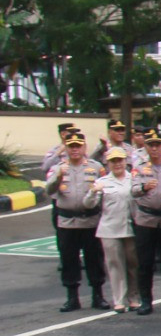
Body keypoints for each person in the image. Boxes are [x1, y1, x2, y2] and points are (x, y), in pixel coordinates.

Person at [46, 132, 108, 312]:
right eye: (71, 146)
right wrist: (58, 178)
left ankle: (98, 295)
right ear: (66, 148)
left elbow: (104, 190)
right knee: (69, 260)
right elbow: (49, 190)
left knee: (94, 259)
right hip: (67, 222)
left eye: (78, 146)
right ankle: (72, 297)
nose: (74, 149)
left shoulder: (95, 168)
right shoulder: (59, 168)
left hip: (90, 221)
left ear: (84, 148)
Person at [129, 132, 161, 315]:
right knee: (145, 262)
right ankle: (146, 301)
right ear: (146, 147)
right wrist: (143, 187)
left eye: (158, 144)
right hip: (146, 219)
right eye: (151, 145)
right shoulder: (140, 167)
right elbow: (133, 190)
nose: (155, 148)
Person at [92, 148, 139, 312]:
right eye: (113, 161)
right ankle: (119, 299)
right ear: (108, 163)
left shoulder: (134, 180)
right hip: (109, 229)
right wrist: (93, 192)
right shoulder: (103, 182)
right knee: (115, 265)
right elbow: (89, 204)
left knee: (133, 264)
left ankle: (134, 297)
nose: (117, 164)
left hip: (130, 228)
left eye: (120, 160)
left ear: (125, 161)